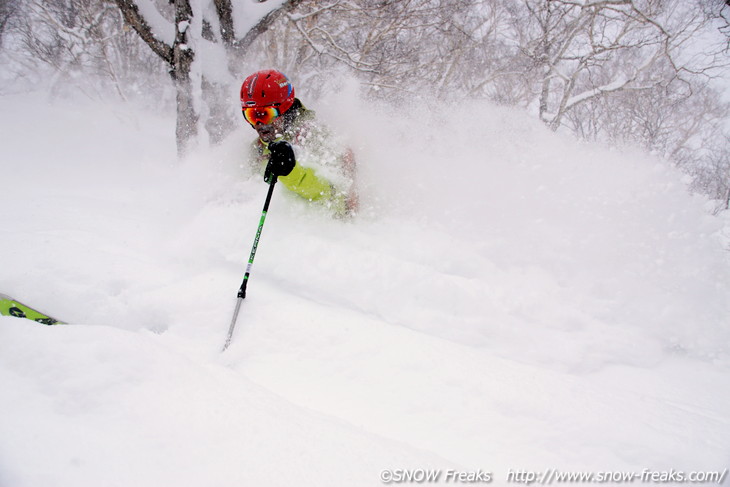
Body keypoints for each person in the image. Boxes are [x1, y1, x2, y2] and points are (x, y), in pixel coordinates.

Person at [240, 69, 358, 217]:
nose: (259, 124)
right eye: (251, 115)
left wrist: (290, 173)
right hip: (276, 233)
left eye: (265, 114)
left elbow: (337, 198)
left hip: (320, 233)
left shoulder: (314, 137)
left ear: (284, 108)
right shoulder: (257, 147)